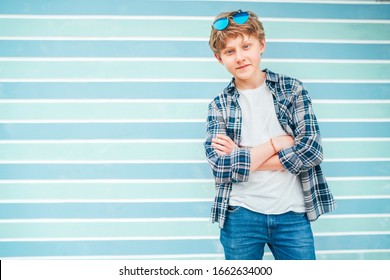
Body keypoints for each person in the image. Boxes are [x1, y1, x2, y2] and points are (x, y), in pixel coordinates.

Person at [204, 10, 336, 260]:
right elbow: (221, 167)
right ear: (219, 58)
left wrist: (243, 157)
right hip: (240, 215)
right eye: (230, 51)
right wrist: (278, 143)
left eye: (246, 46)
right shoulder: (218, 105)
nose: (240, 57)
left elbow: (311, 151)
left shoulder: (292, 90)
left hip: (292, 216)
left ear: (261, 45)